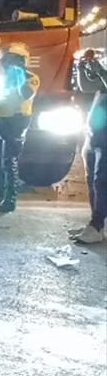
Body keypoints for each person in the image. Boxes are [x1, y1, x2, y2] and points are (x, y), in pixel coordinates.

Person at [0, 42, 39, 214]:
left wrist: (18, 76)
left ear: (22, 60)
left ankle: (10, 200)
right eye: (6, 60)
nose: (8, 64)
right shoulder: (3, 78)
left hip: (16, 121)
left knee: (9, 161)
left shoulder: (30, 77)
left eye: (12, 60)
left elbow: (26, 94)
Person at [70, 49, 107, 243]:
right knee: (93, 180)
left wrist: (100, 70)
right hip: (95, 135)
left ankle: (97, 224)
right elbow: (87, 87)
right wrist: (80, 66)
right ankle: (95, 225)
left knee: (102, 180)